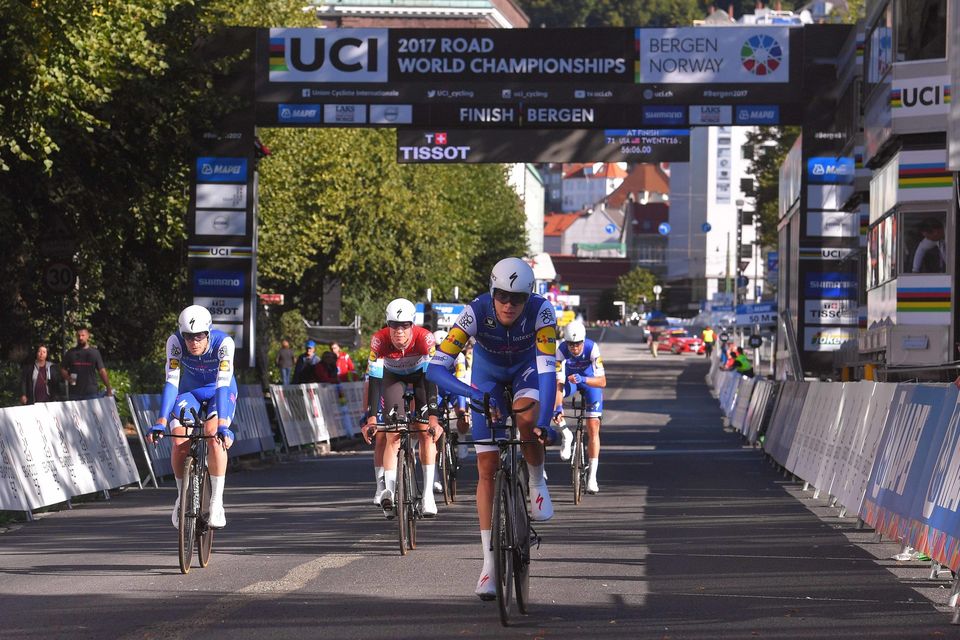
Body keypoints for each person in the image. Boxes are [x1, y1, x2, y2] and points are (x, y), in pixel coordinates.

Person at [427, 257, 557, 600]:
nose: (509, 304)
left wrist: (544, 423)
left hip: (527, 371)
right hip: (486, 379)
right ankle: (488, 564)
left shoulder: (543, 312)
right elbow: (435, 369)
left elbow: (547, 372)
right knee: (486, 467)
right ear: (491, 291)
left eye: (518, 299)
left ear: (529, 297)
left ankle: (537, 480)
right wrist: (474, 394)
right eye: (502, 296)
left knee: (526, 416)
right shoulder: (474, 311)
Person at [147, 305, 237, 529]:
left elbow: (224, 384)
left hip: (219, 390)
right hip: (190, 392)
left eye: (199, 337)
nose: (193, 342)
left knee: (213, 436)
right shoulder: (175, 343)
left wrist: (223, 425)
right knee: (178, 442)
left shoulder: (224, 344)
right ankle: (181, 498)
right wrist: (160, 421)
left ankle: (217, 502)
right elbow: (171, 381)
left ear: (208, 333)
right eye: (188, 337)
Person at [362, 298, 442, 518]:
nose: (399, 333)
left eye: (404, 326)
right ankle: (389, 491)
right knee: (393, 434)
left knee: (426, 433)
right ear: (387, 325)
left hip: (421, 377)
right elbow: (375, 381)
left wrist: (433, 416)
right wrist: (371, 418)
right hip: (392, 377)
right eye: (394, 326)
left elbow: (432, 378)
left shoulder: (425, 338)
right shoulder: (378, 341)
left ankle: (427, 495)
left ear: (412, 325)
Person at [553, 320, 606, 493]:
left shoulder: (592, 348)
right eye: (571, 344)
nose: (574, 348)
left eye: (577, 344)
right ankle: (566, 435)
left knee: (593, 427)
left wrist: (583, 379)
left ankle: (592, 477)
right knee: (550, 402)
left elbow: (602, 381)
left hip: (589, 382)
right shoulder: (560, 350)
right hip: (570, 382)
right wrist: (558, 407)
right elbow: (559, 383)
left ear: (583, 341)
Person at [61, 327, 112, 400]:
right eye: (78, 336)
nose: (80, 338)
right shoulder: (71, 352)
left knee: (93, 412)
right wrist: (69, 378)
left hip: (91, 393)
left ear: (88, 336)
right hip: (74, 393)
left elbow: (102, 371)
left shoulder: (94, 352)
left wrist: (108, 387)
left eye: (83, 335)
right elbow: (63, 369)